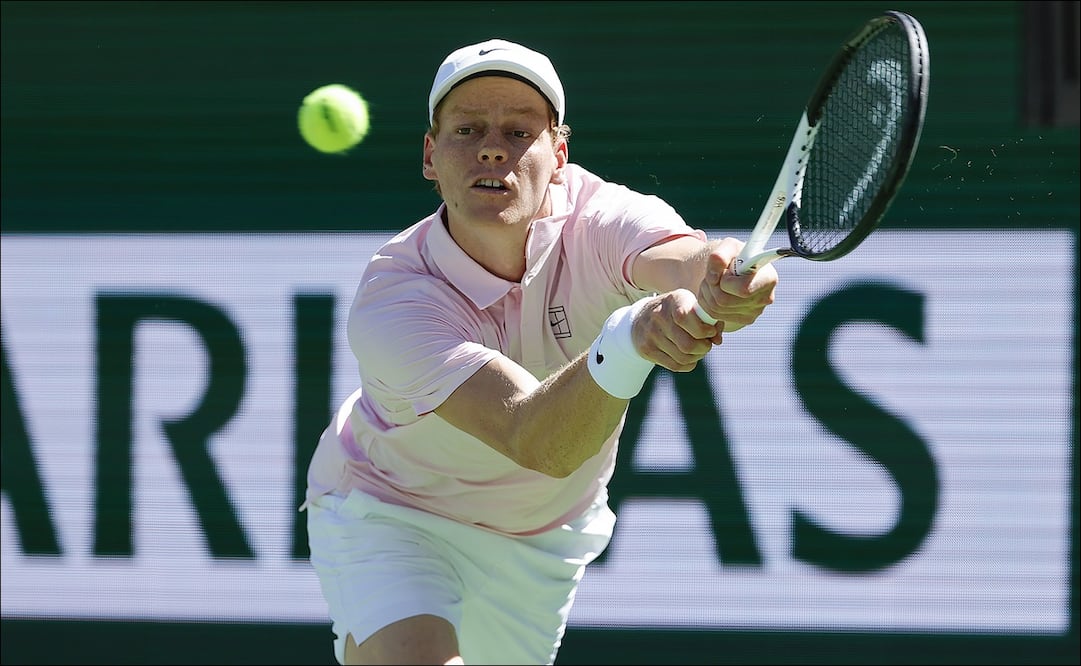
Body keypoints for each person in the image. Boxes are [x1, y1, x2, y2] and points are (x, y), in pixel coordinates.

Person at [302, 38, 779, 665]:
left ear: (558, 155)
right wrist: (629, 340)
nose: (491, 148)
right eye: (467, 129)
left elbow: (681, 259)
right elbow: (537, 440)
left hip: (542, 538)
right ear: (430, 155)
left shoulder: (601, 216)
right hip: (393, 510)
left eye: (519, 131)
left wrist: (721, 275)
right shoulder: (395, 296)